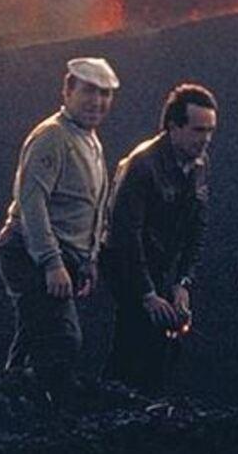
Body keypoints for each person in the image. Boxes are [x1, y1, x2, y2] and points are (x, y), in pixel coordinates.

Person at [0, 57, 119, 404]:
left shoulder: (88, 140)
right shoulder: (52, 136)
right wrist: (51, 262)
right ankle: (55, 411)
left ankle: (8, 401)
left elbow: (89, 207)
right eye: (90, 91)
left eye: (105, 93)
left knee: (33, 333)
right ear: (67, 90)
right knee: (63, 338)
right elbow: (32, 203)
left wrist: (87, 260)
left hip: (62, 255)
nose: (98, 101)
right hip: (28, 251)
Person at [99, 83, 217, 393]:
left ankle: (141, 408)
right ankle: (113, 409)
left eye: (210, 130)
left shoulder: (200, 165)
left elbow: (197, 228)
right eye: (197, 130)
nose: (205, 138)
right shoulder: (142, 166)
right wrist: (146, 294)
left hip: (163, 265)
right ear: (173, 127)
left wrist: (183, 282)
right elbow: (126, 235)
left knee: (168, 341)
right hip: (126, 265)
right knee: (137, 338)